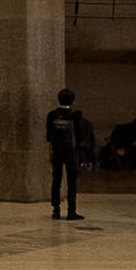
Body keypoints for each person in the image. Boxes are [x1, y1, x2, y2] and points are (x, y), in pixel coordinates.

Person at [46, 89, 89, 220]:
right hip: (71, 153)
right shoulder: (75, 115)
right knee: (72, 182)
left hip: (57, 152)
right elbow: (80, 135)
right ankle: (71, 211)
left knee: (56, 181)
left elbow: (48, 136)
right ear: (72, 99)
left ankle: (56, 210)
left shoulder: (52, 115)